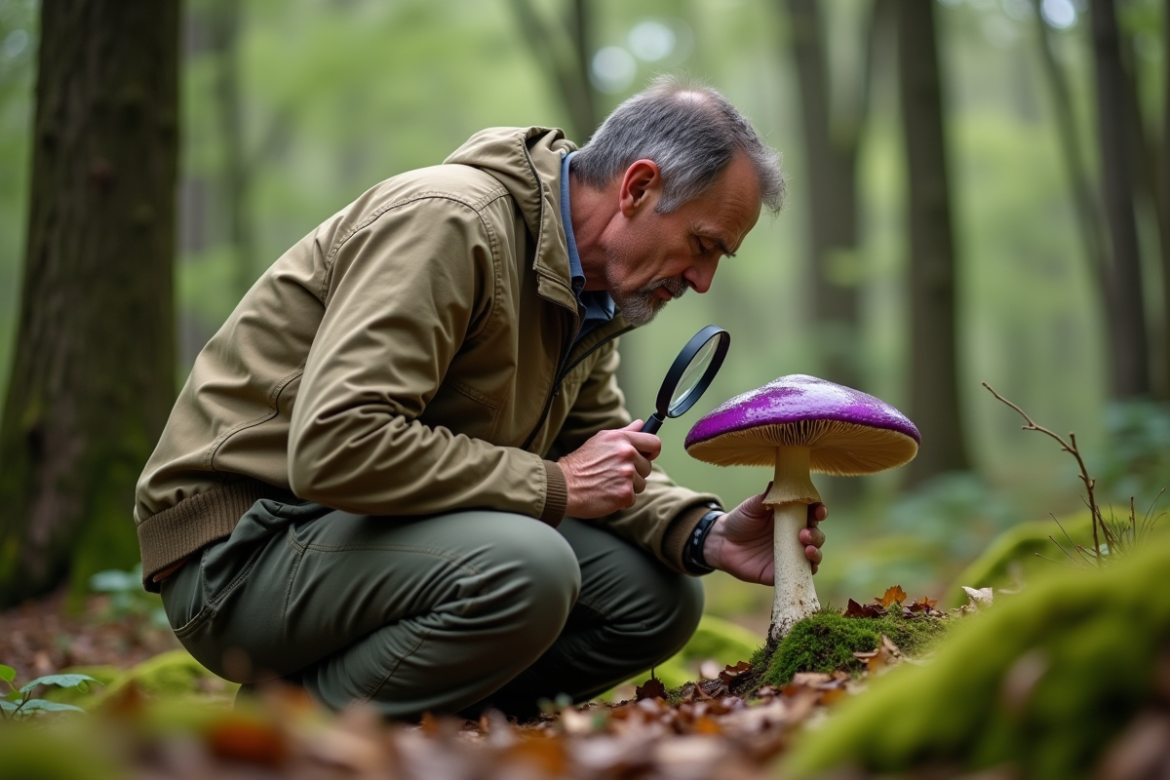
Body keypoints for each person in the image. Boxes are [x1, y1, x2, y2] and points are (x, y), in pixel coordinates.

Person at [134, 76, 827, 719]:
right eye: (701, 245)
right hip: (241, 551)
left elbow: (591, 448)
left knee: (659, 598)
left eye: (718, 258)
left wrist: (703, 533)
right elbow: (337, 444)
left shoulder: (590, 294)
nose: (702, 280)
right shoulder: (449, 223)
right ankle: (290, 731)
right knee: (528, 567)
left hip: (363, 531)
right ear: (638, 188)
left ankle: (444, 728)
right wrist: (552, 484)